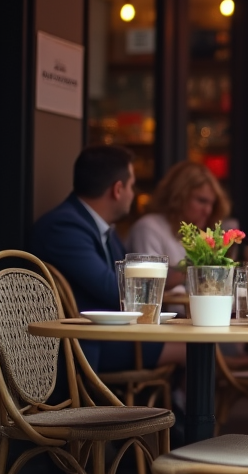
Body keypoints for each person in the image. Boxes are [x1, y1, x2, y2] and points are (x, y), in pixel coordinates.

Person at [30, 146, 163, 372]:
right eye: (132, 186)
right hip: (81, 345)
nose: (134, 194)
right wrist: (160, 284)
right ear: (118, 190)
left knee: (195, 344)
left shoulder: (100, 228)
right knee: (190, 347)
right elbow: (115, 289)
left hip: (108, 335)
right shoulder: (64, 227)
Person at [127, 160, 231, 289]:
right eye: (201, 201)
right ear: (179, 196)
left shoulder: (200, 236)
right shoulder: (148, 227)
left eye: (212, 204)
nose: (208, 211)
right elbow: (148, 284)